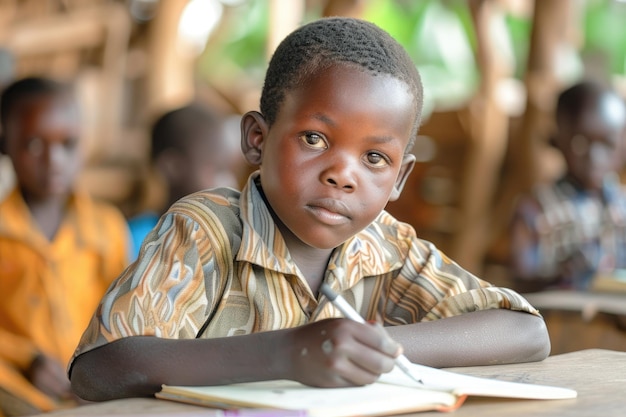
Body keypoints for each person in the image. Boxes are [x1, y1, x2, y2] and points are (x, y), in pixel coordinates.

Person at [69, 17, 550, 402]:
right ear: (257, 139)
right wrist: (286, 352)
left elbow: (527, 333)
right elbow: (100, 368)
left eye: (374, 158)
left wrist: (372, 351)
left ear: (400, 178)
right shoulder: (206, 228)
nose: (343, 175)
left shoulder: (385, 246)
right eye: (315, 139)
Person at [0, 76, 130, 415]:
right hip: (18, 392)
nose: (53, 159)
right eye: (33, 145)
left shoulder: (106, 227)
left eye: (68, 144)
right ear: (5, 143)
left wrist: (100, 375)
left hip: (93, 392)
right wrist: (26, 359)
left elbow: (125, 317)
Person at [510, 80, 626, 292]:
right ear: (559, 139)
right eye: (580, 143)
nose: (595, 157)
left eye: (607, 144)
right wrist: (560, 275)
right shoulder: (536, 210)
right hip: (558, 319)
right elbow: (520, 283)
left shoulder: (621, 205)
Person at [127, 103, 246, 260]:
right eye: (216, 170)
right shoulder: (132, 241)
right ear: (172, 167)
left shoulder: (229, 239)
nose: (228, 182)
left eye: (228, 170)